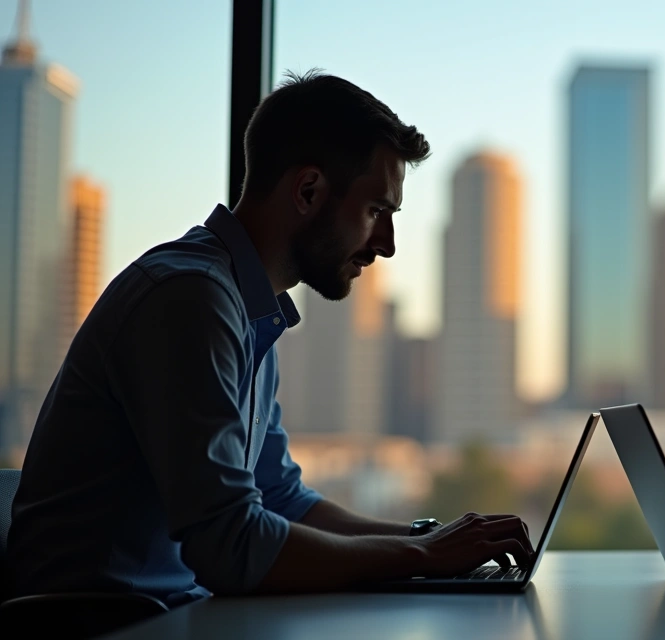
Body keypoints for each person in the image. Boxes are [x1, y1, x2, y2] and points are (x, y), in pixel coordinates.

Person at [7, 70, 533, 606]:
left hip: (170, 615)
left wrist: (427, 541)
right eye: (377, 211)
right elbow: (230, 546)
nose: (388, 244)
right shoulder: (190, 300)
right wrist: (422, 558)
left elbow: (282, 501)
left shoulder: (250, 311)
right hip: (101, 626)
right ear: (308, 190)